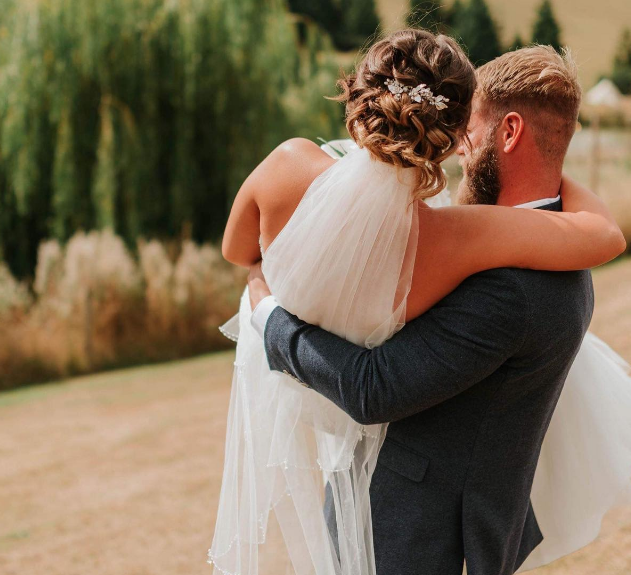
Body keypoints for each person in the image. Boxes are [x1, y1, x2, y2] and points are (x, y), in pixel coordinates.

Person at [208, 31, 627, 575]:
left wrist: (265, 314)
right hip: (376, 513)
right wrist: (552, 145)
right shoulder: (515, 241)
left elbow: (371, 388)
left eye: (468, 130)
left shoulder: (500, 270)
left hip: (420, 542)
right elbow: (605, 233)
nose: (459, 146)